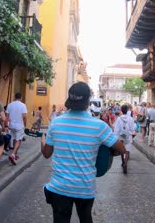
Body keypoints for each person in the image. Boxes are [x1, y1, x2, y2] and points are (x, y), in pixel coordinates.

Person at [41, 82, 126, 223]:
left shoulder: (56, 123)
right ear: (87, 102)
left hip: (59, 187)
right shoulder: (99, 126)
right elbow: (121, 149)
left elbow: (46, 154)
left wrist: (43, 141)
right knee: (86, 219)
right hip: (85, 188)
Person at [6, 93, 27, 165]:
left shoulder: (10, 105)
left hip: (12, 125)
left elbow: (7, 116)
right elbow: (24, 116)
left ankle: (15, 155)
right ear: (21, 97)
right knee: (19, 140)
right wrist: (25, 124)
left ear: (15, 97)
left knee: (15, 139)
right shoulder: (23, 105)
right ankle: (13, 154)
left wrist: (7, 124)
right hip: (19, 125)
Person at [113, 104, 135, 174]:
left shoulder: (119, 118)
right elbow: (132, 128)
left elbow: (116, 129)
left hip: (121, 135)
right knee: (127, 150)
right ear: (127, 110)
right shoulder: (130, 118)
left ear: (121, 111)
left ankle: (123, 161)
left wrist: (115, 136)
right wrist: (130, 132)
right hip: (128, 135)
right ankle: (126, 163)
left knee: (122, 149)